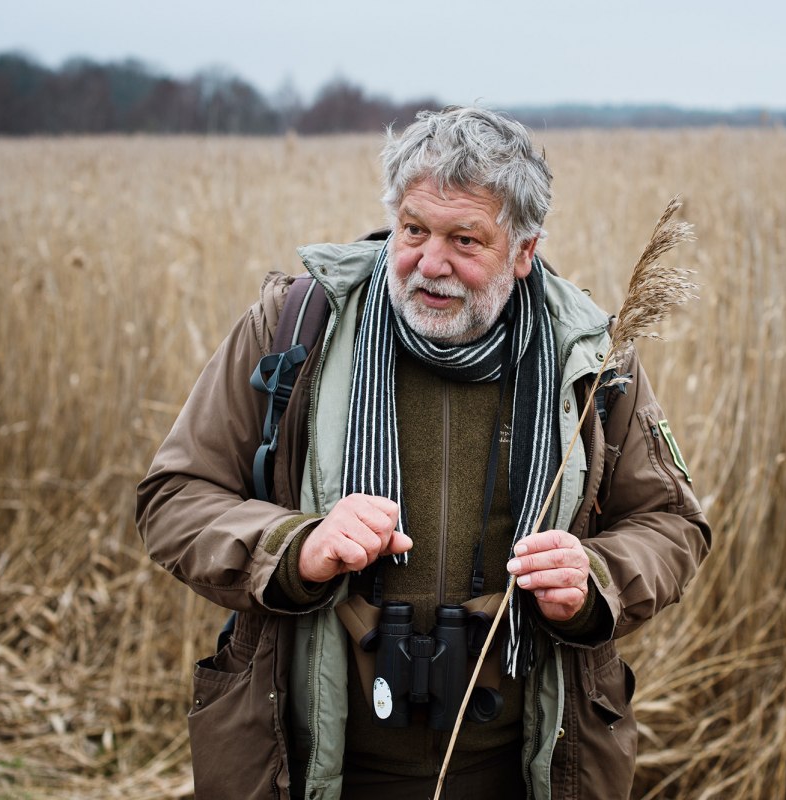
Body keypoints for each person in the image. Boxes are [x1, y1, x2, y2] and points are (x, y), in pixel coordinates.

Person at [136, 105, 710, 800]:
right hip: (308, 763)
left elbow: (673, 524)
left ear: (524, 251)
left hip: (522, 769)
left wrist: (596, 579)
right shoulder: (294, 329)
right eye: (414, 229)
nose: (429, 264)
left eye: (465, 240)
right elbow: (173, 498)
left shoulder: (589, 359)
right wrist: (295, 548)